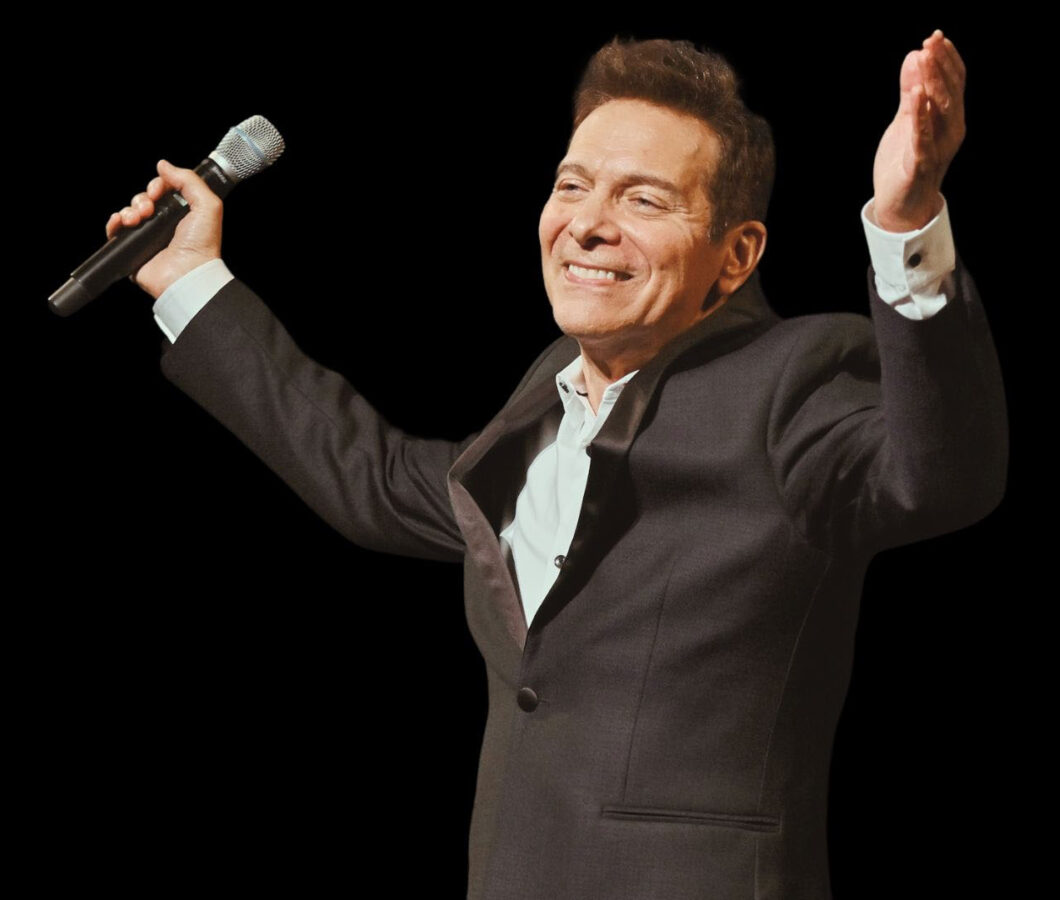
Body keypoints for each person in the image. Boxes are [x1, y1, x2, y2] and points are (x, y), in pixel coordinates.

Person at [99, 31, 1004, 900]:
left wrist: (906, 222)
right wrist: (189, 277)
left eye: (644, 201)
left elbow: (938, 474)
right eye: (574, 186)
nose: (589, 226)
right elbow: (374, 481)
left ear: (736, 256)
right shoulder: (547, 396)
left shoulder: (793, 380)